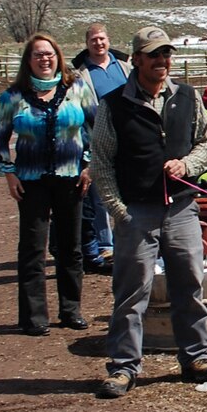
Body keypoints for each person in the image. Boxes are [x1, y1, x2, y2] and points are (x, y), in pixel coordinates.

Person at [92, 26, 207, 396]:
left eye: (166, 54)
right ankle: (123, 367)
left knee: (190, 286)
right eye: (154, 55)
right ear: (136, 59)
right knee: (131, 294)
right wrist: (119, 210)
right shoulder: (113, 104)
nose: (162, 61)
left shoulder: (187, 96)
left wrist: (187, 164)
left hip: (182, 209)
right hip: (136, 212)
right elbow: (101, 162)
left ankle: (197, 357)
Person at [0, 33, 98, 336]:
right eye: (38, 55)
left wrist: (89, 165)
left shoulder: (77, 88)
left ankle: (70, 310)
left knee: (70, 247)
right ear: (29, 61)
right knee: (32, 248)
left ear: (58, 57)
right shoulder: (14, 96)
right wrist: (9, 173)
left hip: (71, 177)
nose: (44, 59)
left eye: (49, 54)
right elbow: (1, 139)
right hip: (31, 181)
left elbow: (96, 127)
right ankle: (33, 316)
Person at [71, 23, 132, 274]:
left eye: (102, 38)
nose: (99, 43)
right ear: (87, 43)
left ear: (109, 40)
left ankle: (127, 241)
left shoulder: (125, 67)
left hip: (126, 136)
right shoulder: (80, 73)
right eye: (94, 39)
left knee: (126, 188)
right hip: (96, 135)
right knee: (99, 193)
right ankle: (106, 246)